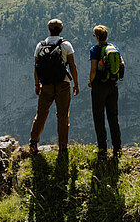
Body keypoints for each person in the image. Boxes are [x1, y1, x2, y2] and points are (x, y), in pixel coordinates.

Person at [29, 18, 79, 154]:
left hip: (46, 84)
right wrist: (76, 83)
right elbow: (72, 66)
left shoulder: (40, 45)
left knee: (41, 114)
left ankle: (33, 143)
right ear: (61, 30)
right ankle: (63, 146)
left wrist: (36, 83)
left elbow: (36, 67)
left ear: (49, 29)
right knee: (62, 115)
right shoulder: (66, 45)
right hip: (63, 84)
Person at [88, 24, 125, 157]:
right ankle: (117, 148)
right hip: (113, 86)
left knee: (99, 117)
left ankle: (103, 149)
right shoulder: (114, 48)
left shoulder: (95, 50)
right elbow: (122, 64)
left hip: (99, 86)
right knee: (113, 117)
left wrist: (90, 81)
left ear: (97, 37)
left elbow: (93, 69)